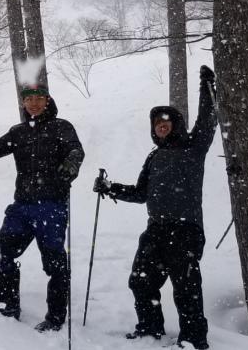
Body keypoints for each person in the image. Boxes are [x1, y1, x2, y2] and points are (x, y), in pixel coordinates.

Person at [93, 65, 217, 349]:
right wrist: (110, 188)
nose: (161, 126)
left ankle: (193, 340)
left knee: (186, 290)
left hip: (185, 229)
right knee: (141, 282)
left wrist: (207, 86)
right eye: (156, 123)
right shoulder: (154, 157)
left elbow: (208, 121)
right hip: (156, 229)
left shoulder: (193, 148)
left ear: (175, 124)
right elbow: (140, 194)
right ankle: (150, 330)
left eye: (166, 121)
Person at [0, 86, 83, 332]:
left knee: (55, 264)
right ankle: (8, 305)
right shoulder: (18, 132)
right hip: (22, 207)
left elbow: (76, 150)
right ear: (23, 102)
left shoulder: (61, 127)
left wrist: (71, 163)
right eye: (28, 99)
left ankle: (55, 318)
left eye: (38, 99)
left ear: (47, 100)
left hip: (51, 206)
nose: (33, 103)